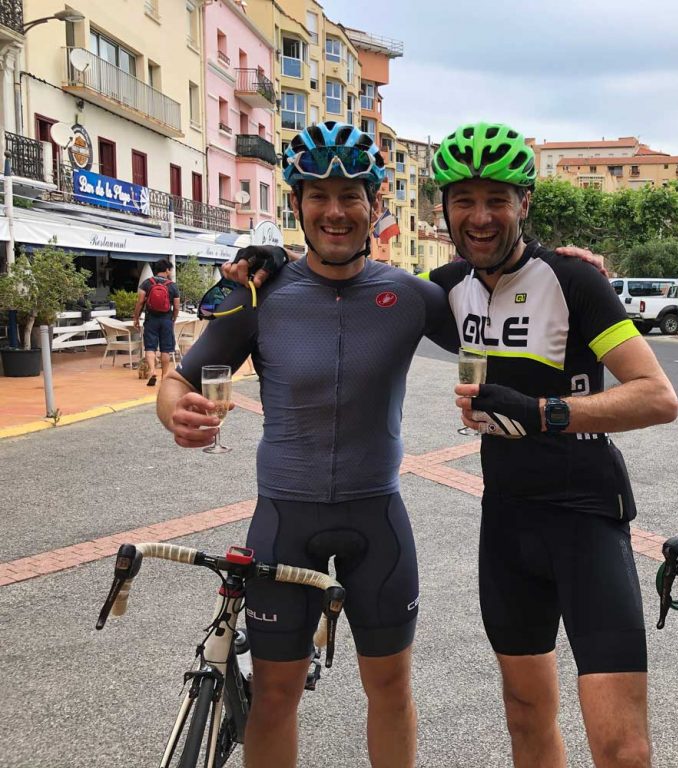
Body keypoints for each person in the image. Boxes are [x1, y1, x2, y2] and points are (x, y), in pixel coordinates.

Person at [156, 121, 456, 768]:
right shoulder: (261, 296)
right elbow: (178, 378)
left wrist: (559, 270)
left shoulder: (411, 296)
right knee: (274, 695)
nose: (335, 210)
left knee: (391, 689)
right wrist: (173, 411)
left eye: (351, 194)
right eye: (317, 194)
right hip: (284, 519)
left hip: (378, 521)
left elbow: (502, 309)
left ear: (376, 207)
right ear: (296, 206)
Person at [426, 122, 678, 768]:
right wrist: (265, 272)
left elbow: (656, 395)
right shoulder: (447, 288)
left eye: (497, 199)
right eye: (465, 200)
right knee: (526, 717)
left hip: (584, 518)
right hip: (506, 521)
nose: (481, 216)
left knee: (621, 747)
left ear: (525, 203)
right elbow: (354, 288)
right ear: (445, 209)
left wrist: (542, 412)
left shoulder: (573, 281)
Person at [133, 258, 180, 386]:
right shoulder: (172, 285)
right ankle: (164, 376)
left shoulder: (147, 283)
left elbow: (140, 302)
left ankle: (153, 371)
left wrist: (136, 318)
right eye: (170, 270)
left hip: (151, 319)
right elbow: (176, 306)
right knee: (165, 350)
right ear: (166, 270)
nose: (170, 272)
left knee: (150, 348)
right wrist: (173, 318)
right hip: (166, 320)